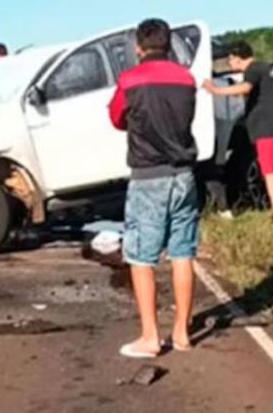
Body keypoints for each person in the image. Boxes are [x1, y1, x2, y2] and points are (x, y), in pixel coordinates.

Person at [108, 18, 200, 358]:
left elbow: (117, 118)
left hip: (149, 176)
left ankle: (150, 336)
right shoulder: (186, 79)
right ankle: (182, 333)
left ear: (138, 47)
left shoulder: (130, 80)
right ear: (169, 44)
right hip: (184, 175)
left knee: (141, 257)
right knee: (182, 253)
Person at [203, 41, 273, 228]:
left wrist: (216, 90)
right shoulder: (266, 68)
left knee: (270, 172)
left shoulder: (252, 69)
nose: (229, 63)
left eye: (230, 59)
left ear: (238, 57)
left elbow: (245, 88)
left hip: (266, 126)